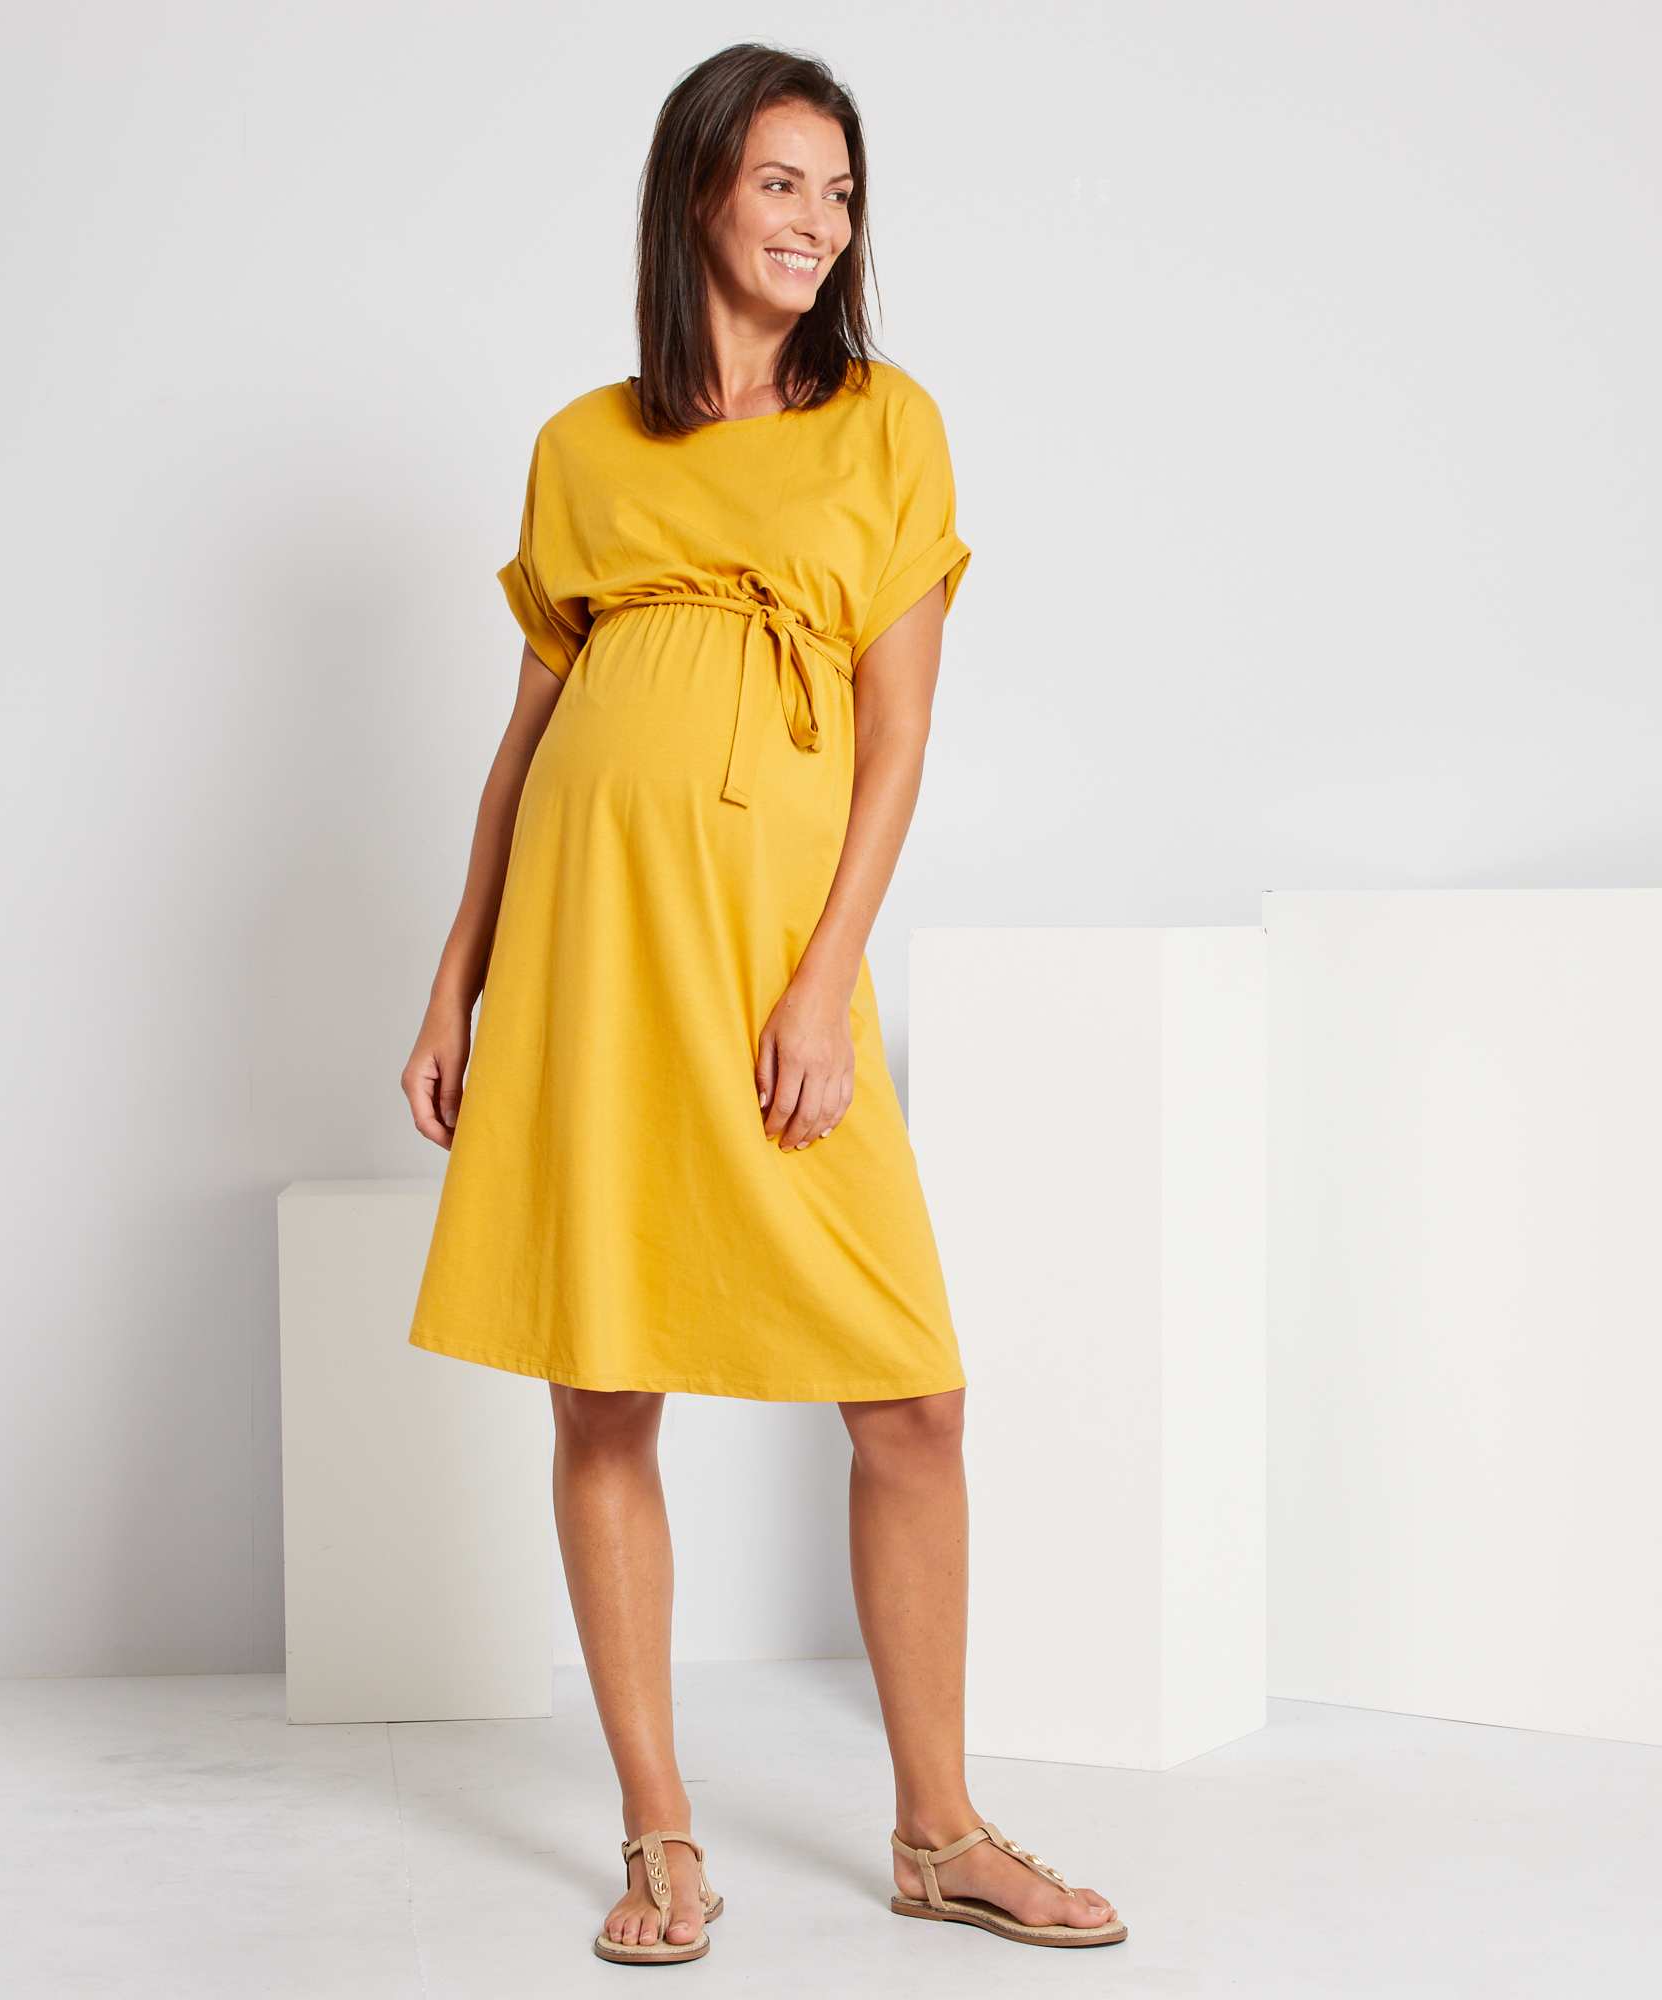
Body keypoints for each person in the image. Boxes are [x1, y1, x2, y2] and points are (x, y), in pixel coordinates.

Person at [400, 41, 1124, 1969]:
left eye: (843, 191)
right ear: (701, 191)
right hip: (588, 943)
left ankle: (939, 1831)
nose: (819, 222)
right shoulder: (584, 447)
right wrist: (457, 975)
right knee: (601, 1376)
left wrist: (821, 982)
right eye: (784, 182)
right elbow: (525, 743)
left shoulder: (884, 425)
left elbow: (897, 743)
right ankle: (660, 1838)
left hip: (766, 953)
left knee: (912, 1395)